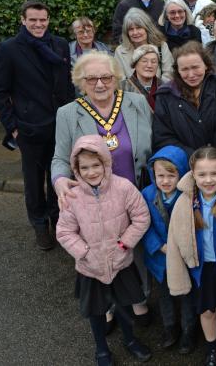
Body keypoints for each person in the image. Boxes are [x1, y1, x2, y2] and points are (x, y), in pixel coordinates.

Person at [52, 52, 154, 324]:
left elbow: (153, 145)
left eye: (106, 77)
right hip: (92, 200)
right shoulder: (67, 113)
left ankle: (139, 298)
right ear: (80, 82)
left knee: (135, 249)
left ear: (116, 78)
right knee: (101, 250)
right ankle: (107, 305)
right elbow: (60, 158)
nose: (100, 84)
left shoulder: (137, 103)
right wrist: (60, 180)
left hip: (135, 192)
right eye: (92, 79)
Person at [56, 135, 152, 366]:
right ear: (76, 170)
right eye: (84, 168)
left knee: (124, 304)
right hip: (90, 267)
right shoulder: (73, 196)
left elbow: (141, 217)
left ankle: (130, 340)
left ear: (106, 163)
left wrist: (124, 243)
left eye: (96, 165)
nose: (91, 172)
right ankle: (101, 349)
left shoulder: (123, 187)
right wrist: (84, 252)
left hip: (120, 261)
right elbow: (64, 231)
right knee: (96, 311)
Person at [0, 0, 75, 250]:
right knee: (34, 182)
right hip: (29, 127)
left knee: (59, 176)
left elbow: (66, 84)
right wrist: (13, 128)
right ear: (23, 20)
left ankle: (58, 220)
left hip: (60, 125)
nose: (39, 24)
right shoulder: (8, 49)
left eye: (43, 19)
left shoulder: (59, 44)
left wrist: (72, 116)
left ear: (48, 20)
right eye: (33, 20)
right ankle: (40, 225)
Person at [168, 146, 216, 365]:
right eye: (202, 174)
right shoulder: (185, 202)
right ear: (193, 174)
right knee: (207, 311)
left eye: (214, 173)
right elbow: (174, 240)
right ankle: (212, 348)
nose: (208, 179)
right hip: (200, 268)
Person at [140, 146, 197, 354]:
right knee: (164, 294)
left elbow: (196, 225)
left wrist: (186, 249)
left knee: (187, 294)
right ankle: (169, 328)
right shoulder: (147, 195)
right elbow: (144, 226)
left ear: (181, 173)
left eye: (171, 175)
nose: (165, 181)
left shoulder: (189, 196)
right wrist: (160, 247)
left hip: (184, 257)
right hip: (161, 259)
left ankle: (189, 330)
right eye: (159, 175)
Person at [153, 41, 216, 156]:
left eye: (195, 67)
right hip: (186, 165)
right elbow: (163, 137)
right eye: (184, 69)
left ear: (206, 65)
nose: (191, 74)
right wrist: (195, 157)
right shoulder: (165, 96)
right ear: (177, 70)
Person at [114, 8, 174, 81]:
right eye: (131, 29)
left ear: (147, 28)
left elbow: (169, 74)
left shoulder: (161, 46)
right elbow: (120, 79)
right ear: (127, 32)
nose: (135, 32)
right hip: (131, 91)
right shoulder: (120, 51)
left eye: (139, 28)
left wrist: (159, 90)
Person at [120, 44, 160, 111]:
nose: (149, 65)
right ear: (135, 64)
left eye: (154, 61)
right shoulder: (122, 87)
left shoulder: (165, 86)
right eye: (144, 61)